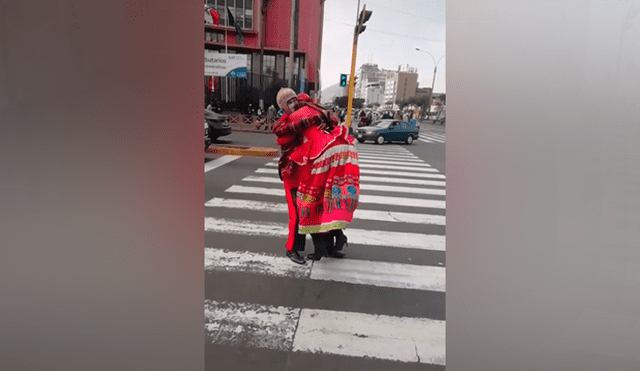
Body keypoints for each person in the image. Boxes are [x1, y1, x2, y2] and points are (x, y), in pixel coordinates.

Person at [274, 89, 358, 262]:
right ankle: (300, 248)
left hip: (309, 172)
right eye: (288, 103)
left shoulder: (306, 114)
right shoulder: (299, 117)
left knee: (315, 210)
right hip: (298, 173)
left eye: (292, 101)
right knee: (305, 213)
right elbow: (282, 137)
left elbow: (283, 137)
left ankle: (322, 247)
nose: (292, 105)